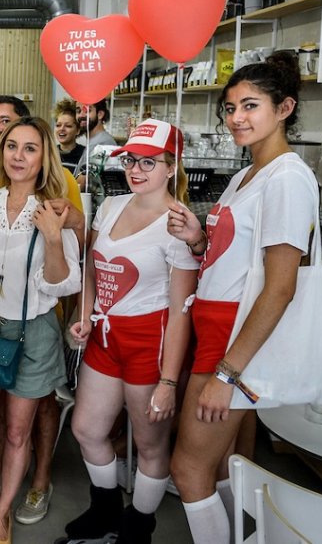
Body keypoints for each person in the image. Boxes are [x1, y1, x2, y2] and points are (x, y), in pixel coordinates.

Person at [167, 52, 318, 544]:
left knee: (189, 471)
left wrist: (228, 374)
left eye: (250, 106)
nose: (236, 118)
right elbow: (237, 259)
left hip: (232, 343)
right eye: (229, 108)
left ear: (285, 108)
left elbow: (280, 286)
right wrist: (197, 238)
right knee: (229, 468)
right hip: (217, 329)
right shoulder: (247, 174)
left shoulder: (288, 177)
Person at [62, 119, 199, 544]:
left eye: (149, 162)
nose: (136, 170)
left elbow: (180, 312)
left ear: (172, 167)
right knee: (86, 429)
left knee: (151, 446)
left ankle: (139, 526)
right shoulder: (111, 206)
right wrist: (83, 315)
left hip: (150, 345)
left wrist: (169, 381)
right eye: (131, 161)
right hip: (105, 336)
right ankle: (105, 509)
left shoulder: (179, 226)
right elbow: (91, 270)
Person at [0, 116, 80, 544]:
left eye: (29, 148)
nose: (18, 156)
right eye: (11, 146)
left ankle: (3, 511)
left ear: (44, 158)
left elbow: (61, 285)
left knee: (17, 432)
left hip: (33, 334)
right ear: (1, 152)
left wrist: (55, 238)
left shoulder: (53, 209)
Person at [75, 99, 117, 189]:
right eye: (78, 111)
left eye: (87, 111)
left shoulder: (103, 143)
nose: (81, 115)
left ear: (100, 114)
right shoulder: (93, 142)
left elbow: (81, 183)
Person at [53, 98, 86, 171]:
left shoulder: (85, 155)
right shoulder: (50, 153)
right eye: (58, 125)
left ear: (78, 130)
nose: (62, 129)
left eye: (68, 126)